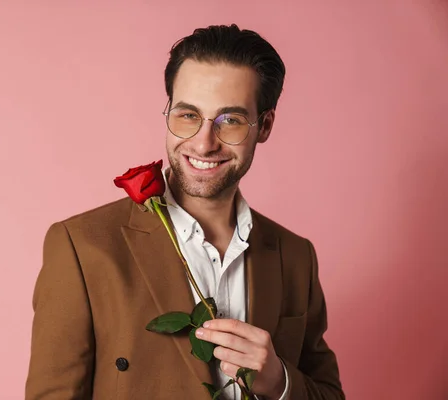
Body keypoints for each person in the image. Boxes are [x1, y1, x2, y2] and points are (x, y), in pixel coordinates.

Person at [25, 24, 344, 400]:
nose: (204, 143)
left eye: (231, 120)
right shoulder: (81, 247)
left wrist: (280, 382)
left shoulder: (295, 256)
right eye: (188, 115)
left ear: (265, 125)